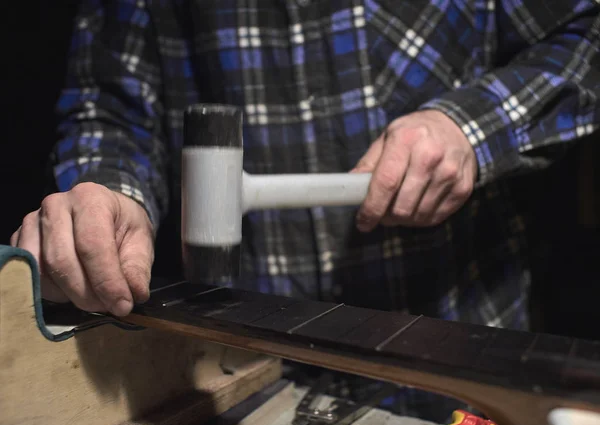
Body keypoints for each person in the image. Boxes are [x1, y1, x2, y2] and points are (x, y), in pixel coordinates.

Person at [12, 1, 599, 353]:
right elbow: (111, 106)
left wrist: (472, 127)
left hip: (457, 353)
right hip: (242, 363)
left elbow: (588, 33)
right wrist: (112, 191)